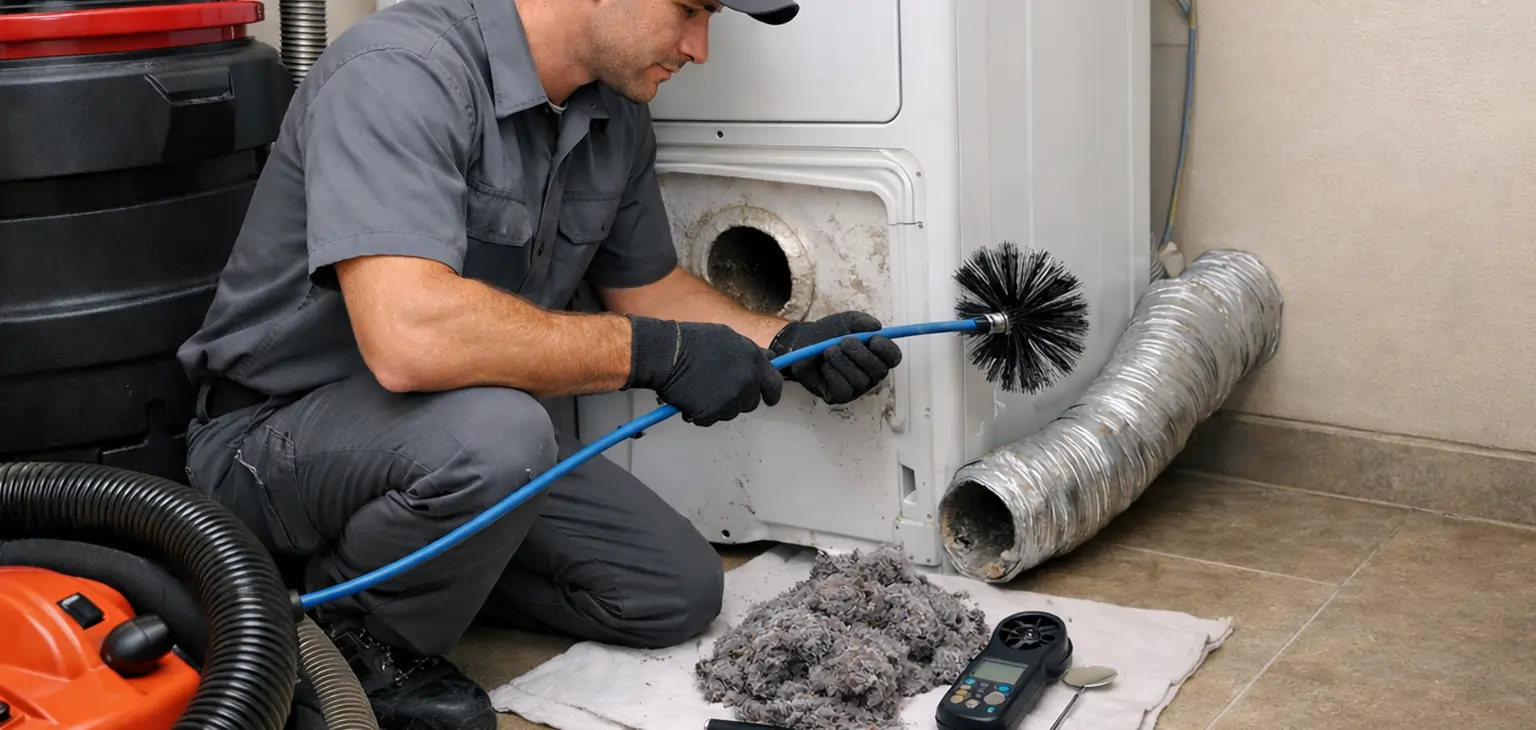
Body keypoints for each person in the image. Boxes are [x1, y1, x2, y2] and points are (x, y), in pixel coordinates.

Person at [176, 0, 904, 727]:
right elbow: (409, 338)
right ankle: (346, 643)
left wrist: (782, 343)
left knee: (670, 590)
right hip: (272, 441)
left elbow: (646, 288)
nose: (700, 47)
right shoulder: (401, 72)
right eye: (688, 10)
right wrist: (652, 352)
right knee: (504, 437)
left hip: (455, 442)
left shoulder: (612, 114)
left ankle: (422, 561)